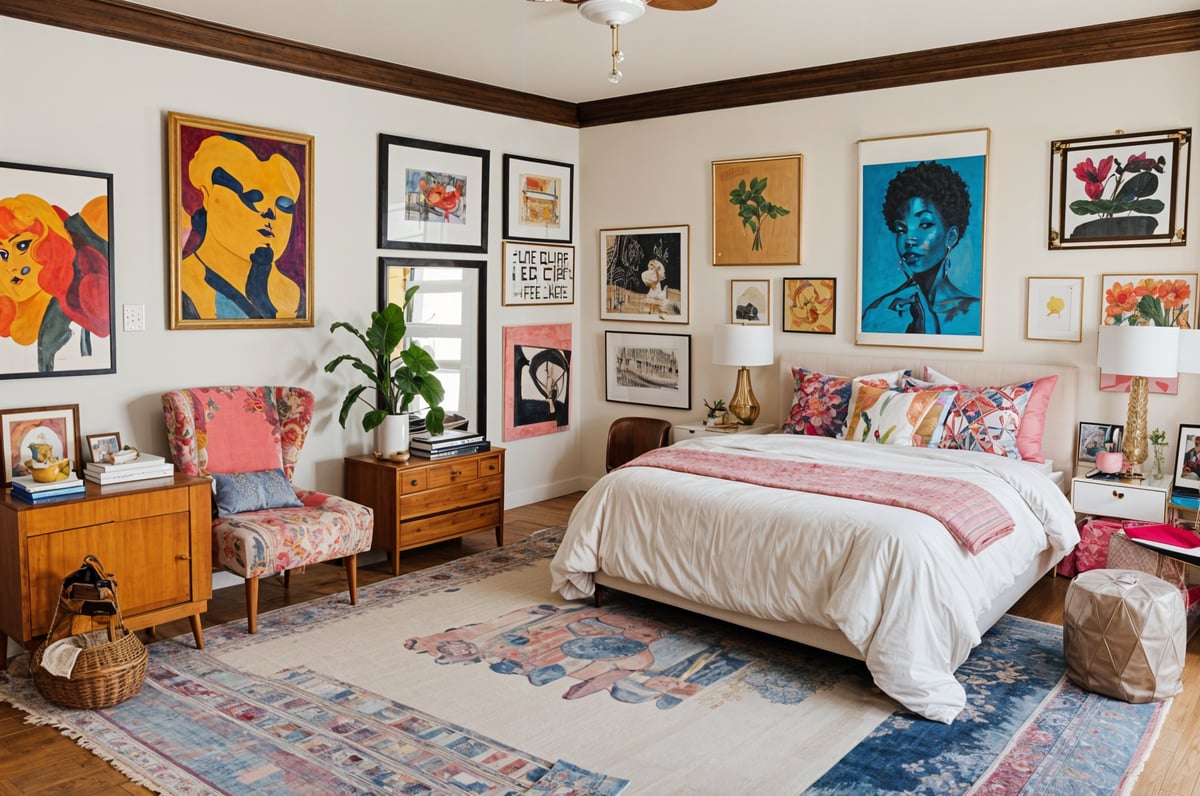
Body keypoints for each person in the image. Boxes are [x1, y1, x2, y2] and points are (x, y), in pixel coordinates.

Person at [180, 135, 303, 320]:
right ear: (208, 195)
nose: (271, 213)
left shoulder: (295, 298)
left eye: (284, 205)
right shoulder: (184, 288)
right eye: (253, 197)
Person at [861, 160, 980, 336]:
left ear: (951, 236)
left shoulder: (974, 312)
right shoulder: (879, 311)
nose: (909, 239)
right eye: (901, 229)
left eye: (924, 225)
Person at [0, 193, 110, 371]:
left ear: (50, 244)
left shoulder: (76, 312)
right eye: (2, 254)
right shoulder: (19, 317)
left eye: (22, 246)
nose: (11, 267)